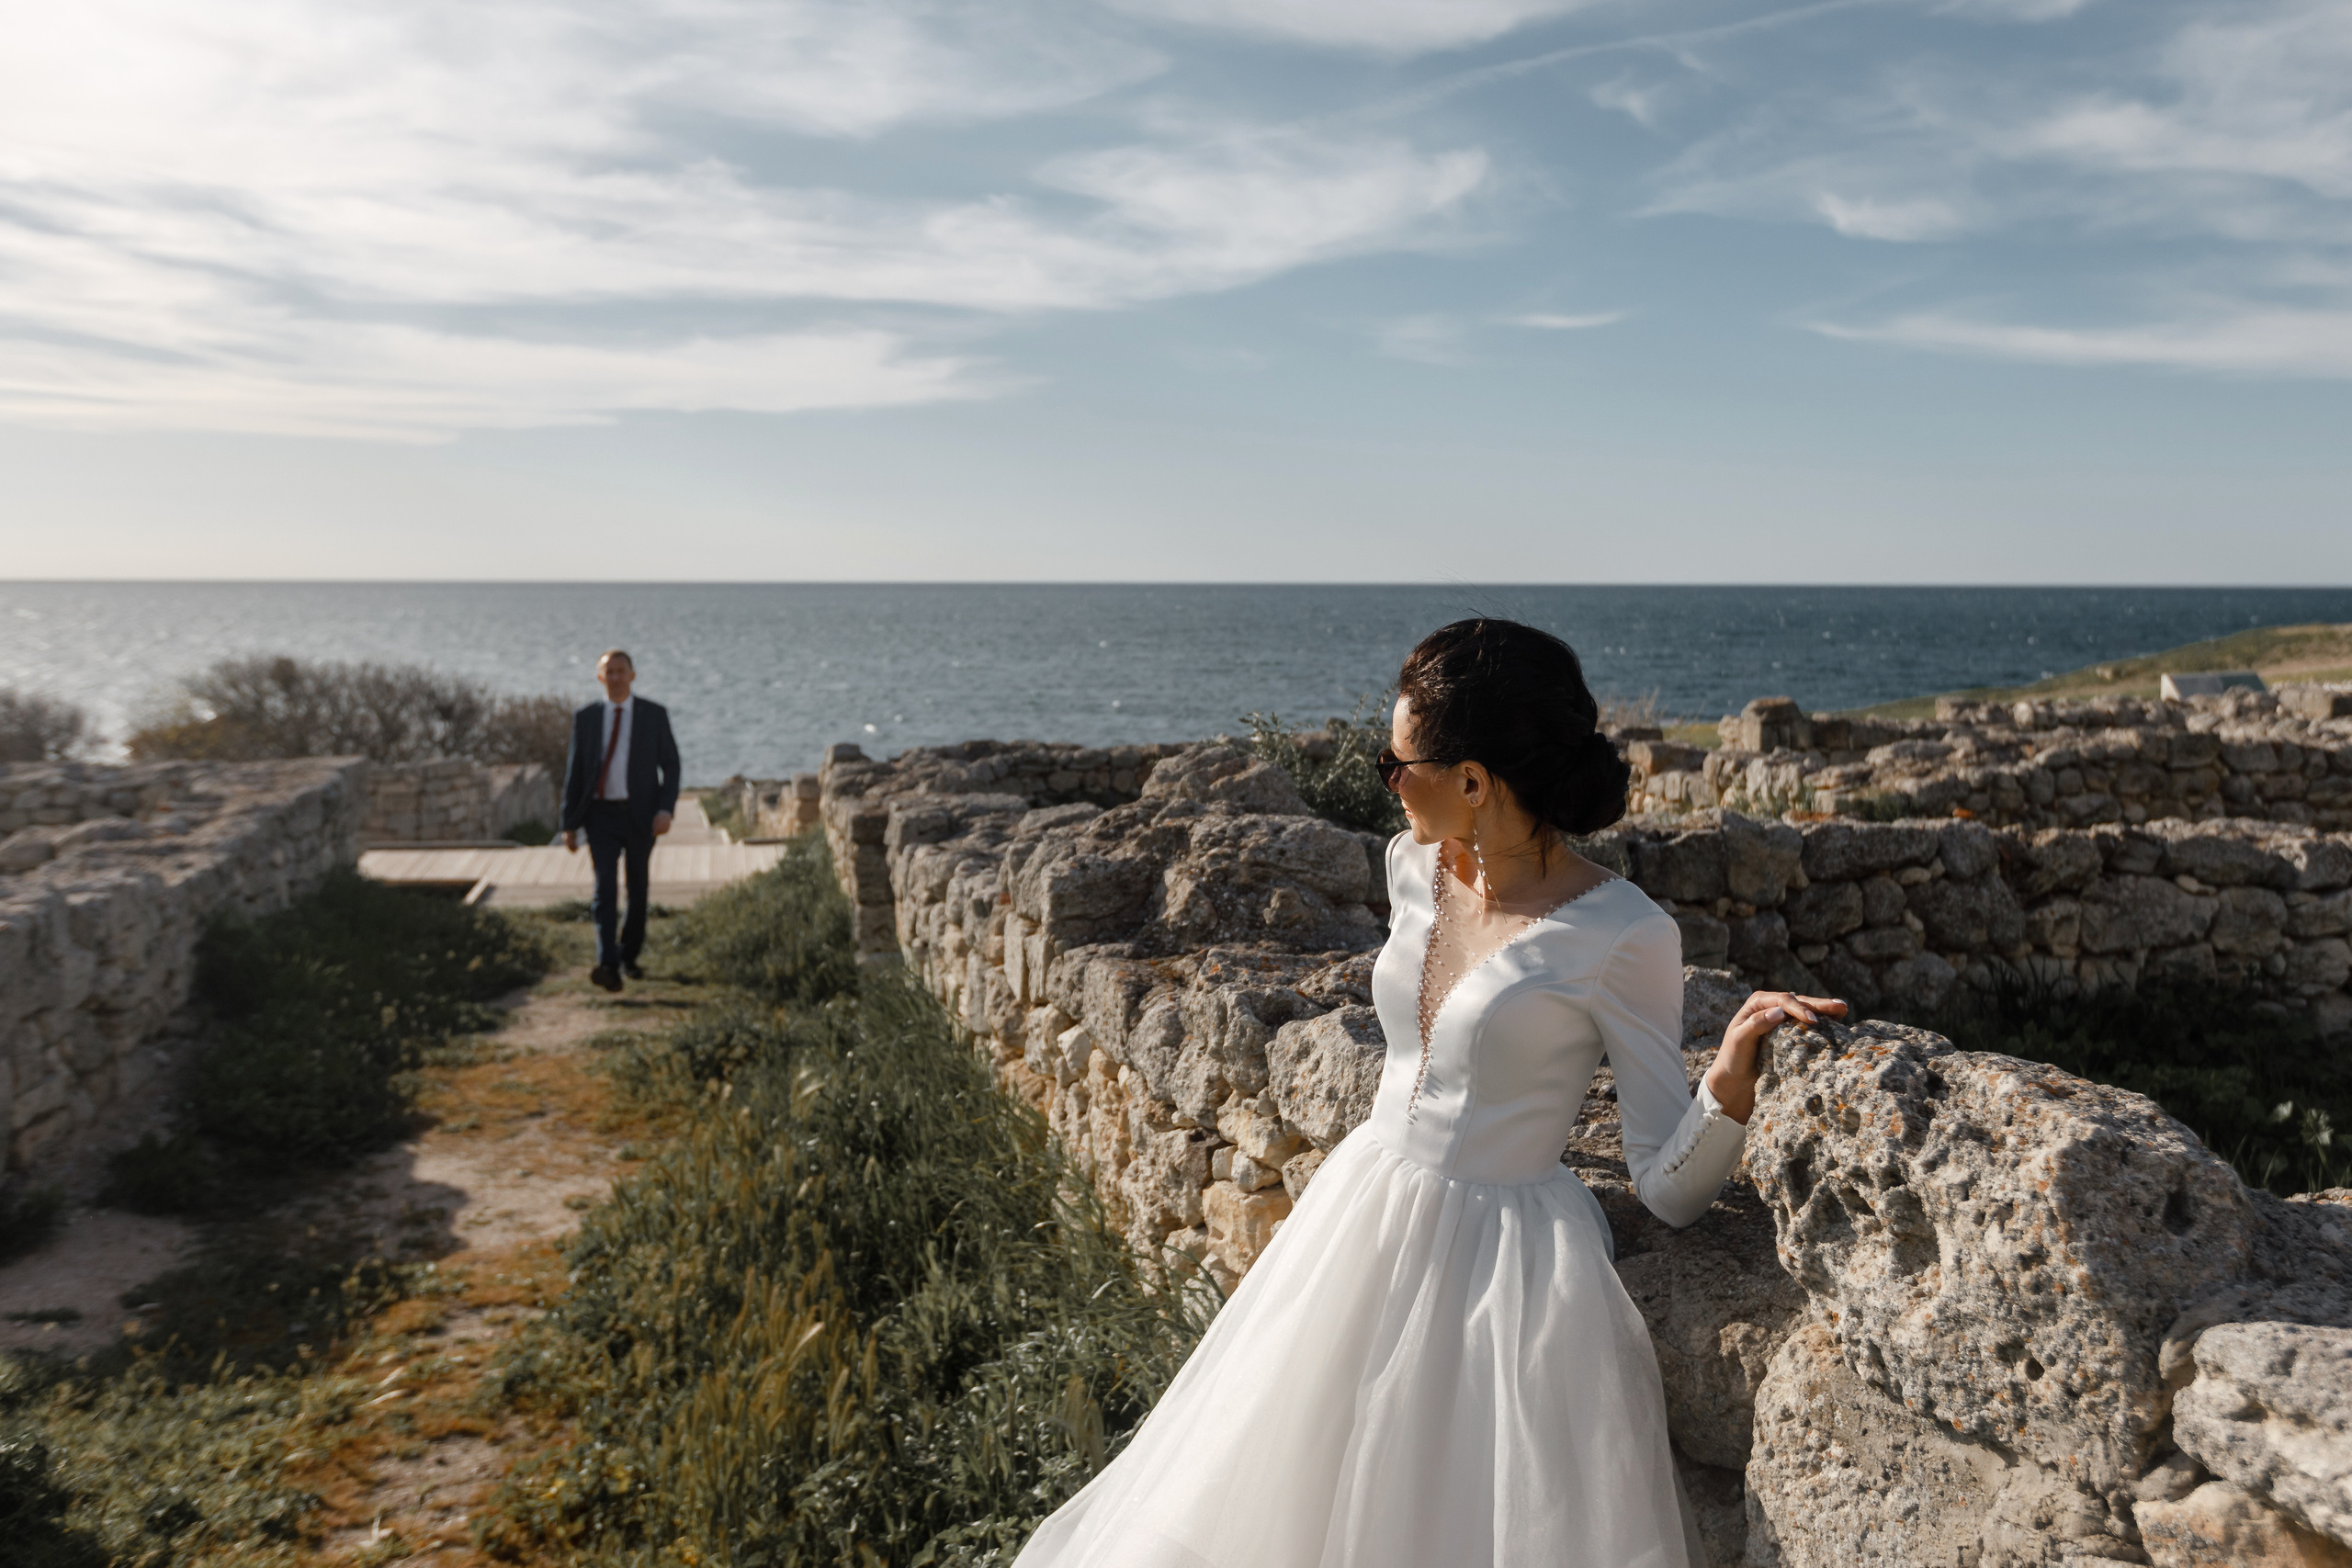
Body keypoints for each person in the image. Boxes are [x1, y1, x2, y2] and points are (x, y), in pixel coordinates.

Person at [1012, 618, 1847, 1568]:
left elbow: (1662, 1188)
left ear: (1474, 781)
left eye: (1396, 761)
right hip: (1358, 1218)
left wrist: (1731, 1075)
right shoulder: (1411, 868)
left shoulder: (1624, 933)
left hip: (1505, 1271)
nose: (1385, 779)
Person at [560, 649, 681, 992]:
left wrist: (665, 809)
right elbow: (576, 772)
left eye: (620, 671)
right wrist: (569, 823)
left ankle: (628, 955)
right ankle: (608, 963)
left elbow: (670, 765)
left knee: (638, 888)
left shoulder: (653, 715)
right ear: (600, 677)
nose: (614, 677)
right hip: (600, 816)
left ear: (632, 675)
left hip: (641, 815)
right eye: (608, 671)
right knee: (604, 890)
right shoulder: (586, 718)